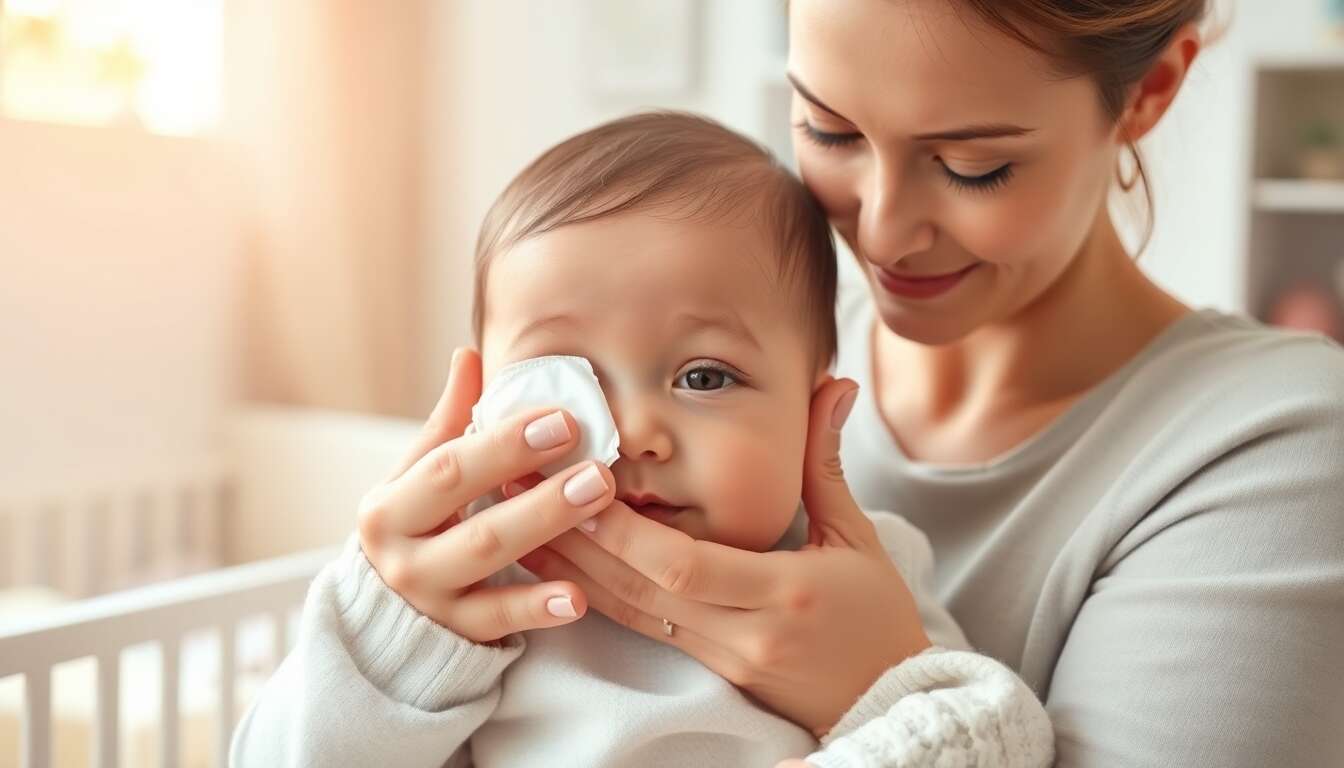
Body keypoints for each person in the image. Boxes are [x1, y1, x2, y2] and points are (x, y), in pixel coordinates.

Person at [525, 2, 1344, 766]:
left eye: (972, 166)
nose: (880, 233)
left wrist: (885, 691)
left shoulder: (1276, 447)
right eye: (828, 129)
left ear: (1149, 90)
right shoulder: (740, 353)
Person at [230, 111, 1055, 767]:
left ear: (814, 411)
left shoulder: (861, 576)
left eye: (704, 378)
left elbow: (993, 739)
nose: (633, 437)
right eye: (566, 376)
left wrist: (886, 702)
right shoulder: (471, 591)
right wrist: (397, 640)